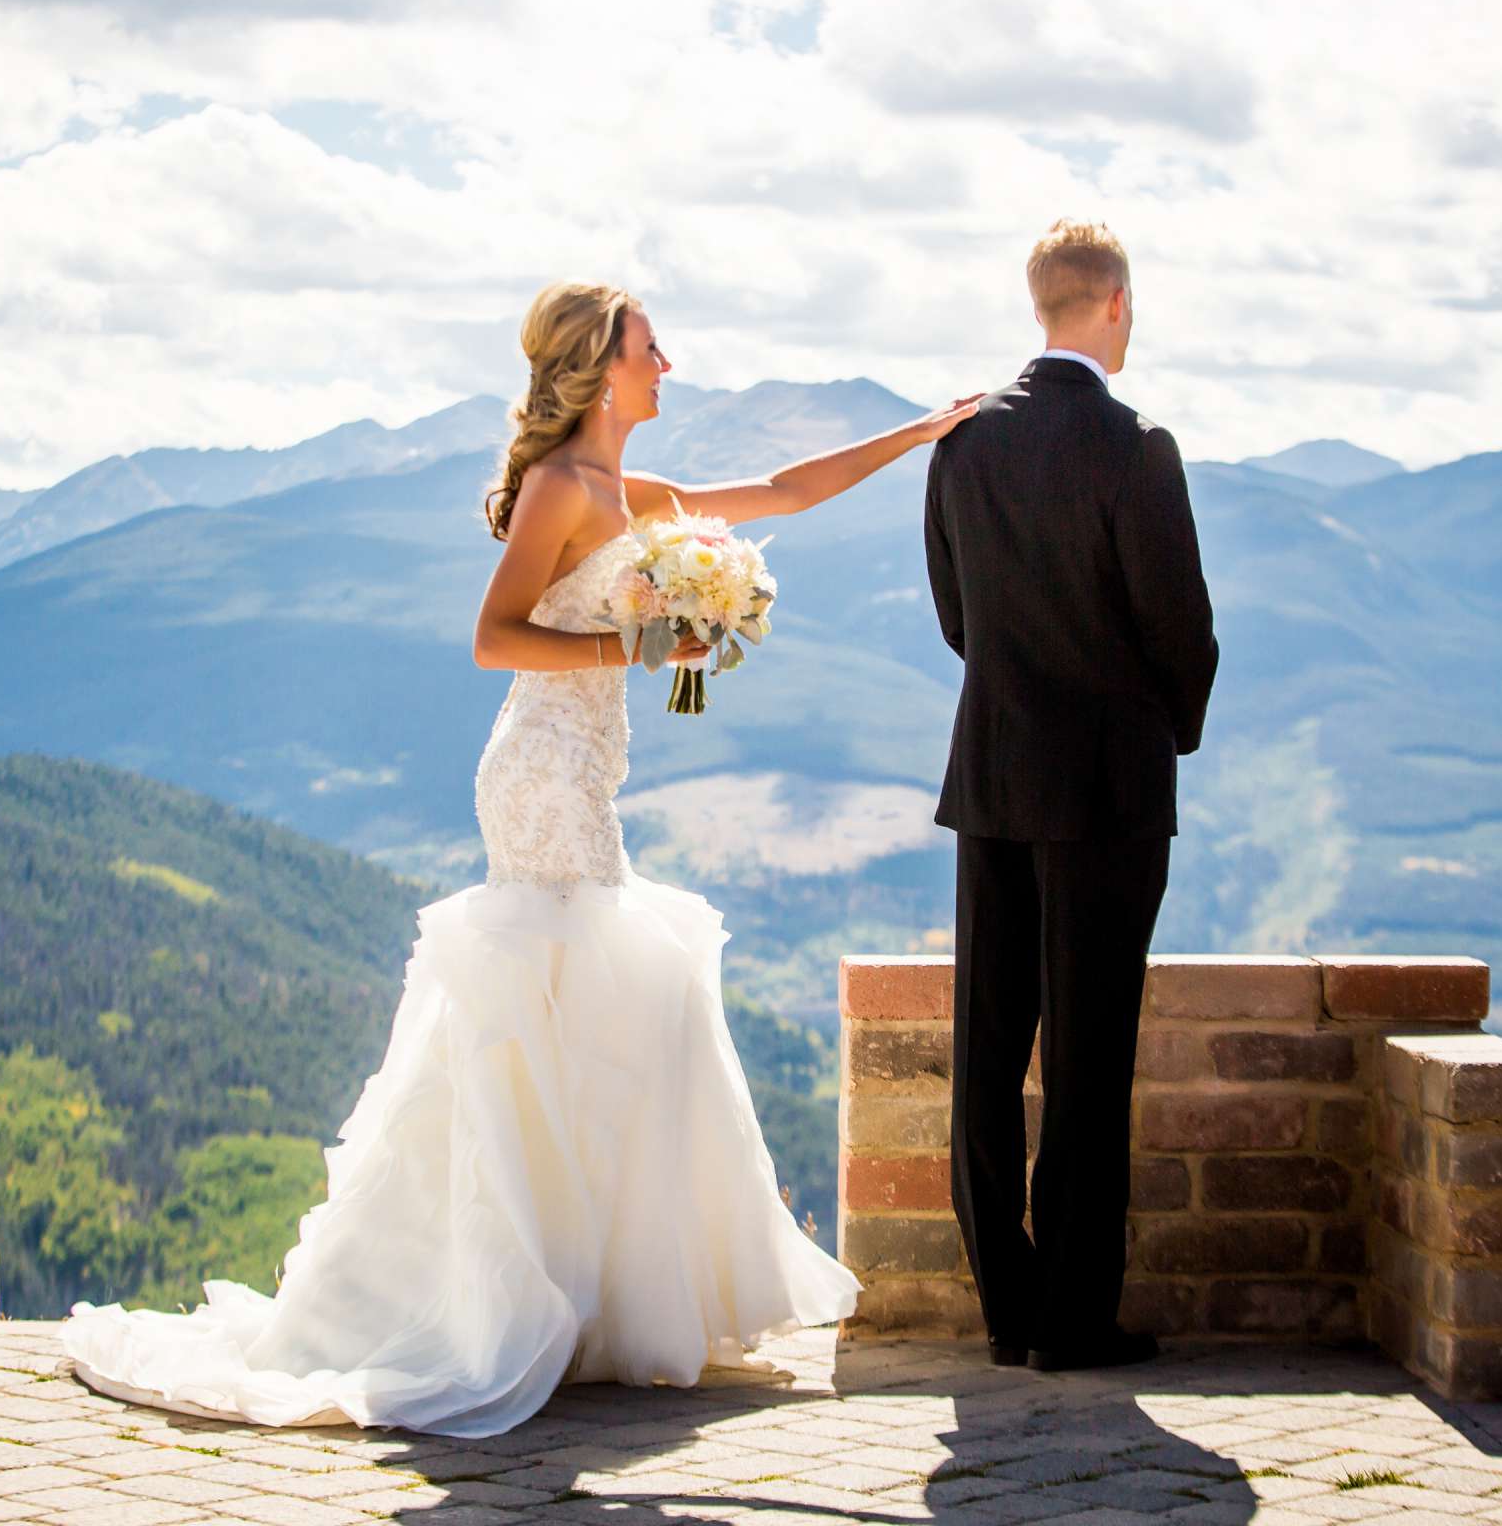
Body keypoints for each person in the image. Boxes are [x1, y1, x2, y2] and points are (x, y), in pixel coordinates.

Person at [59, 279, 981, 1437]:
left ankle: (570, 1293)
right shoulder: (559, 486)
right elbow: (496, 637)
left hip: (585, 772)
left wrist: (922, 431)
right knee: (571, 1010)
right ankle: (508, 1298)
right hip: (541, 780)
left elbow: (790, 490)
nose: (671, 364)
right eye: (653, 349)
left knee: (598, 1013)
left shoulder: (620, 489)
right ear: (602, 369)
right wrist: (639, 637)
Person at [923, 219, 1219, 1373]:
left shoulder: (963, 446)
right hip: (1105, 789)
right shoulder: (1136, 445)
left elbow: (958, 615)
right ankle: (1071, 1320)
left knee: (988, 1047)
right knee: (1091, 1056)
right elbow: (1178, 628)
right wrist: (1165, 733)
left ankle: (1007, 1305)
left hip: (993, 774)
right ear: (1117, 304)